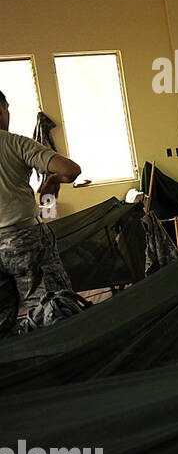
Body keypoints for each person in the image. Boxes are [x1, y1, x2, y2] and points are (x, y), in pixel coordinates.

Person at [0, 89, 84, 337]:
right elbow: (71, 170)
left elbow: (49, 209)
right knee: (52, 307)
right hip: (24, 239)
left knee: (2, 322)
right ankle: (66, 363)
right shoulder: (15, 143)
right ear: (1, 109)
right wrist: (53, 180)